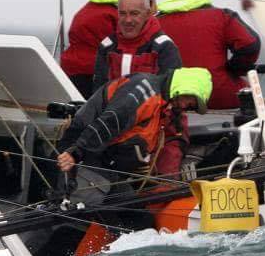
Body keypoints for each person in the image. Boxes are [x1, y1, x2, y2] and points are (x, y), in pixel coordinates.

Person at [56, 67, 212, 181]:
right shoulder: (145, 91)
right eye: (188, 101)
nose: (184, 106)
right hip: (86, 155)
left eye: (190, 107)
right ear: (183, 88)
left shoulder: (163, 106)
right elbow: (111, 121)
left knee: (136, 215)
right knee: (82, 208)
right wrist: (75, 153)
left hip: (107, 165)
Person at [59, 0, 152, 98]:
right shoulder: (121, 12)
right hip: (95, 77)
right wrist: (149, 16)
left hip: (72, 72)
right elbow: (137, 45)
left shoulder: (95, 4)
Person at [157, 0, 261, 110]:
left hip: (171, 99)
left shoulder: (153, 23)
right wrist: (235, 69)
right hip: (221, 96)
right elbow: (250, 44)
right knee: (248, 95)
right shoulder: (221, 16)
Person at [92, 0, 182, 88]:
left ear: (148, 14)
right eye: (122, 13)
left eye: (134, 13)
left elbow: (169, 90)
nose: (128, 20)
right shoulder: (107, 46)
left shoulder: (164, 47)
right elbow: (98, 90)